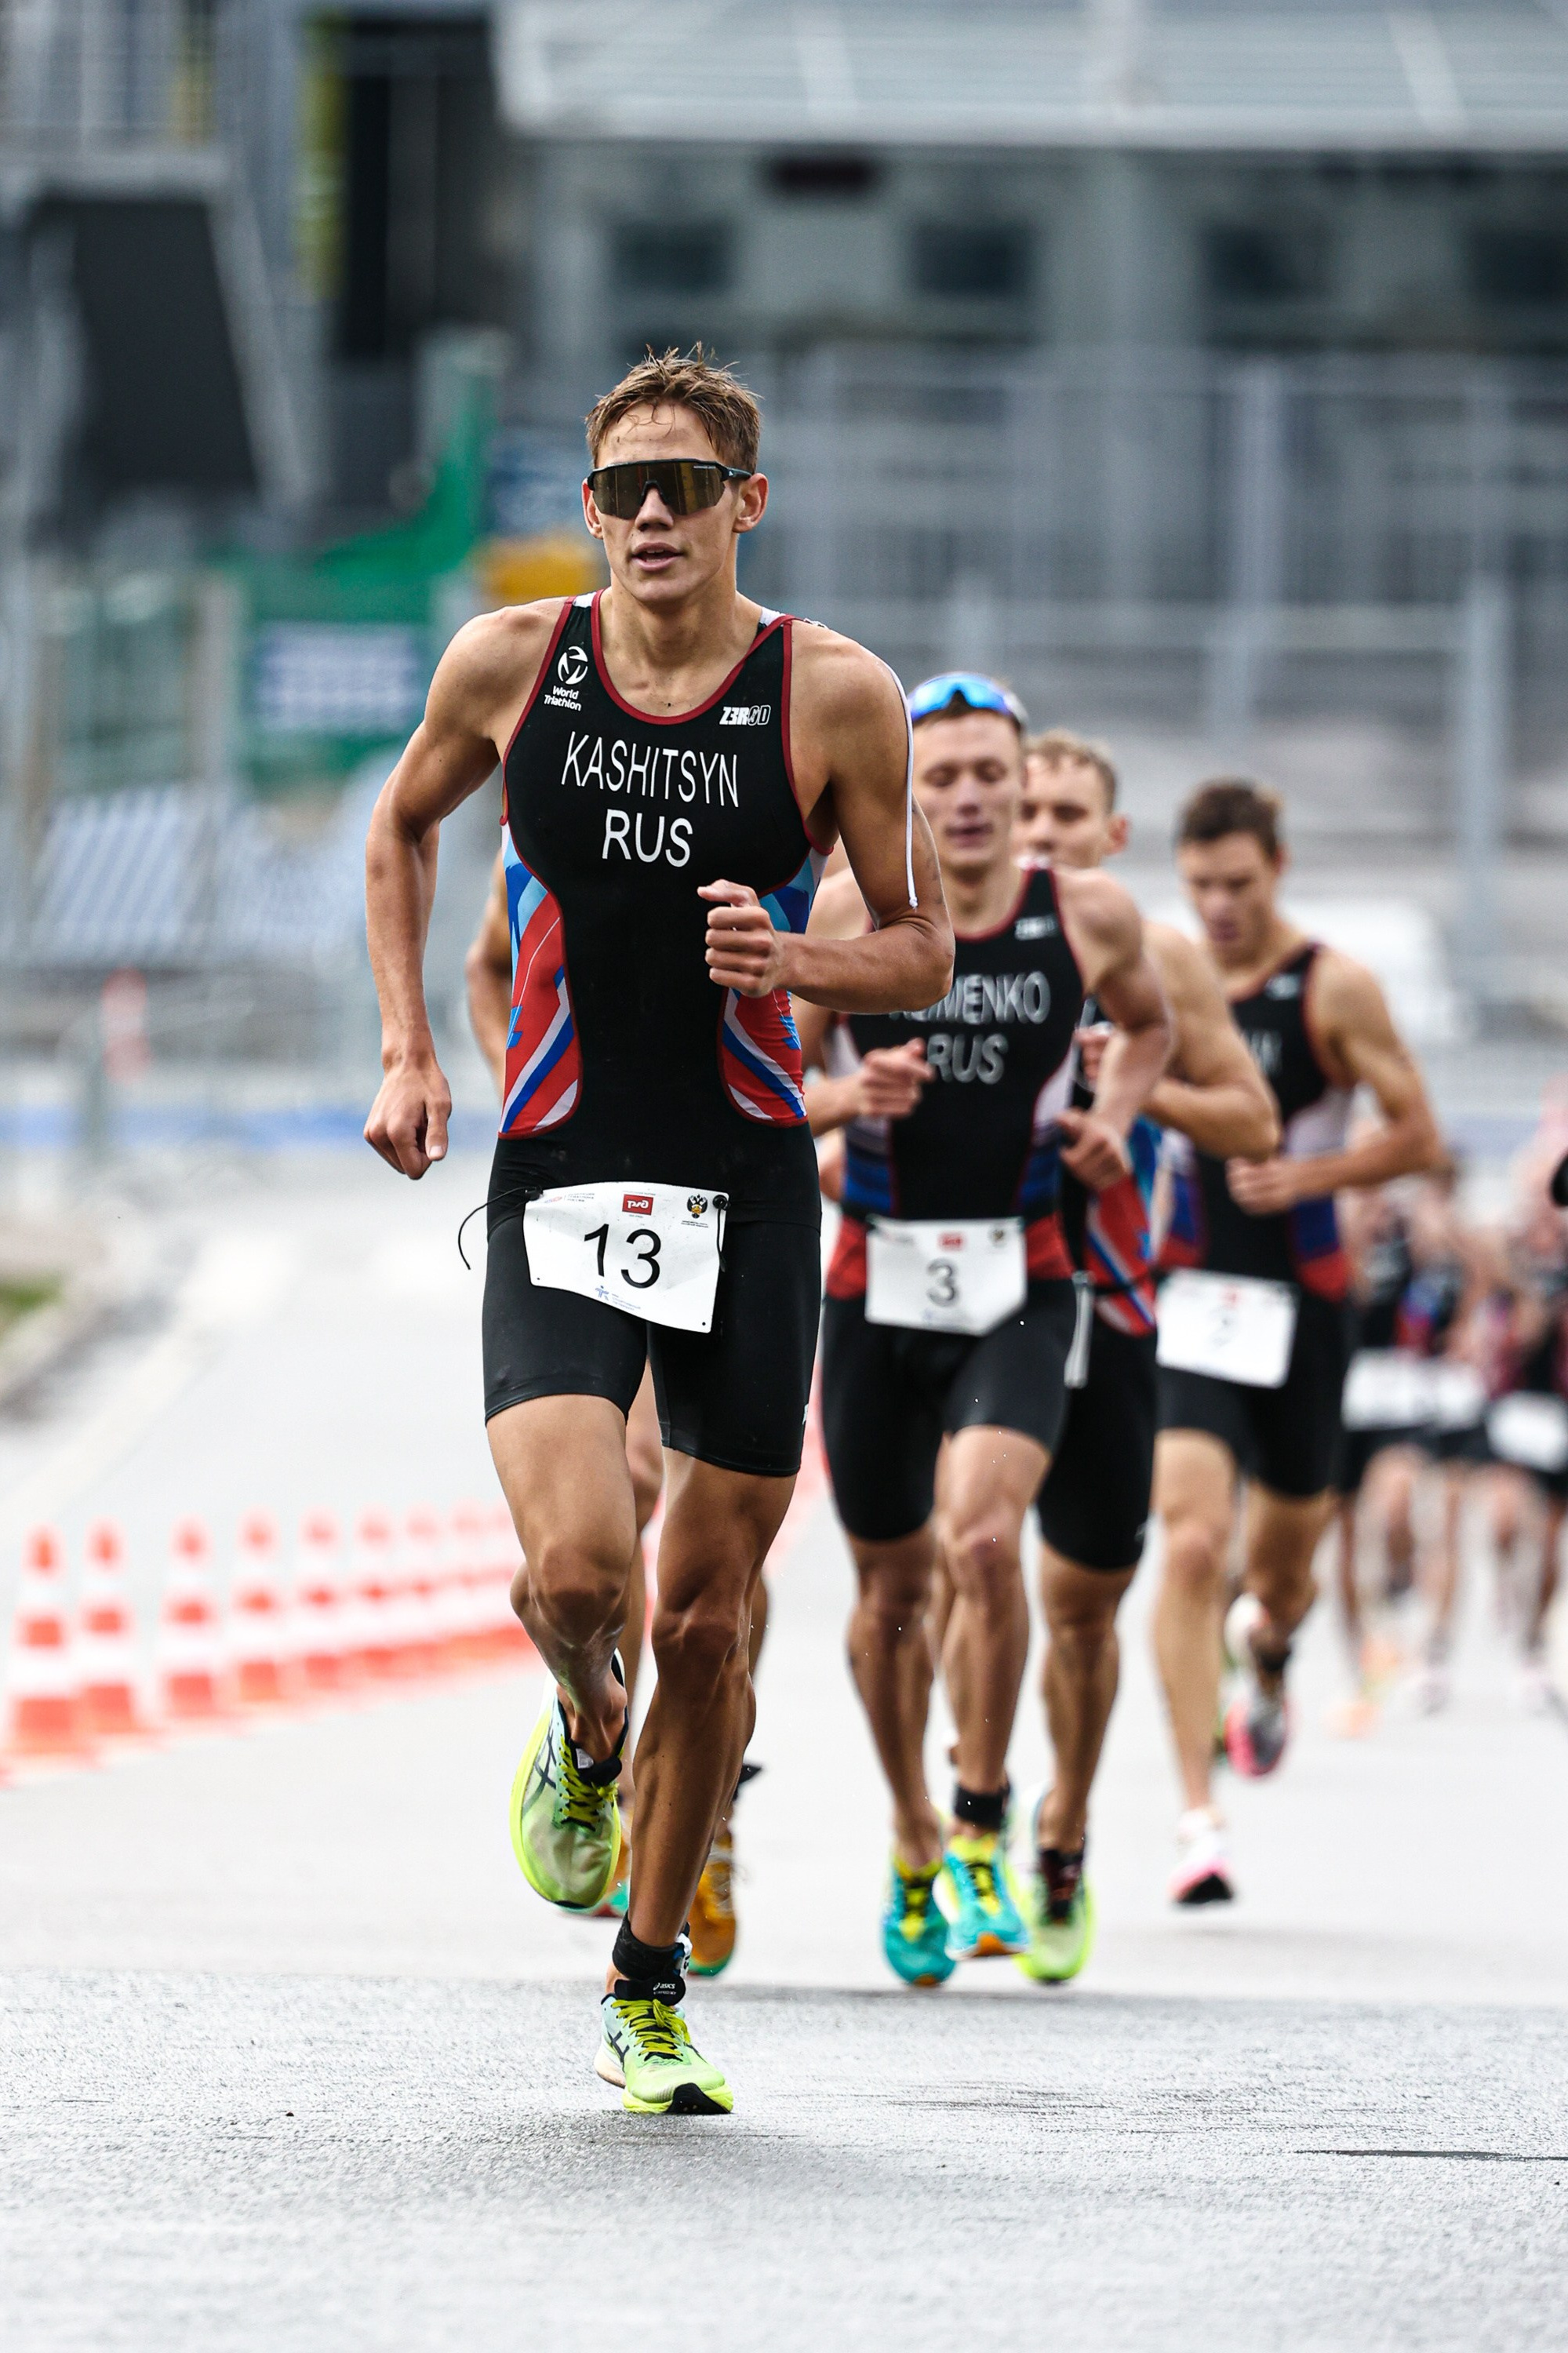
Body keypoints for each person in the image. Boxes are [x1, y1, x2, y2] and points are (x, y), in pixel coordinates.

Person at [364, 347, 953, 2115]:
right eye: (617, 491)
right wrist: (408, 1046)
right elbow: (399, 833)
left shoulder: (834, 697)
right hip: (561, 1167)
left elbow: (918, 952)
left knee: (706, 1617)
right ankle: (580, 1727)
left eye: (681, 488)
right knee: (574, 1581)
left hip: (752, 1179)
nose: (644, 520)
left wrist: (802, 962)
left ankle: (647, 1977)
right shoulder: (513, 665)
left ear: (743, 506)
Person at [799, 675, 1172, 1987]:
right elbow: (772, 1083)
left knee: (981, 1537)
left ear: (1023, 791)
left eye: (985, 778)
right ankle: (909, 1833)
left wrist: (1117, 1115)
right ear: (910, 786)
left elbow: (1151, 1023)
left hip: (1026, 1278)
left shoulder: (1087, 914)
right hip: (876, 1286)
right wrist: (849, 1097)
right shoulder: (853, 907)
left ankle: (980, 1810)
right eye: (939, 776)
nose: (963, 799)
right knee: (892, 1593)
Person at [1005, 729, 1277, 1964]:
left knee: (1078, 1601)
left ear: (1110, 841)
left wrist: (1139, 1085)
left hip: (1111, 1306)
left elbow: (1251, 1117)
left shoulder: (1155, 957)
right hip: (969, 1296)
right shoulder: (940, 939)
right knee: (961, 1562)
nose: (1044, 833)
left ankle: (1062, 1820)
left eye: (1070, 815)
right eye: (1029, 810)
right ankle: (967, 1824)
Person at [1152, 779, 1441, 1903]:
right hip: (1191, 1296)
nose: (1219, 905)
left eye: (1238, 883)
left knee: (1280, 1571)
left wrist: (1310, 1174)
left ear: (1277, 868)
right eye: (1200, 886)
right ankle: (1195, 1817)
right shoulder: (1167, 980)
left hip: (1303, 1305)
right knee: (1186, 1542)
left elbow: (1418, 1133)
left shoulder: (1334, 987)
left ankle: (1265, 1655)